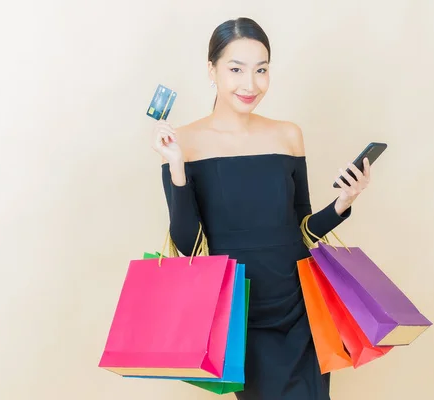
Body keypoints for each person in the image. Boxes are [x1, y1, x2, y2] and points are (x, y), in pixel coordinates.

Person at [152, 17, 372, 400]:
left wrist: (343, 202)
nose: (249, 84)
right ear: (212, 70)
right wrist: (175, 166)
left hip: (300, 305)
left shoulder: (288, 134)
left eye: (261, 70)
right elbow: (188, 246)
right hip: (241, 312)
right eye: (236, 69)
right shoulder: (183, 141)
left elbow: (301, 228)